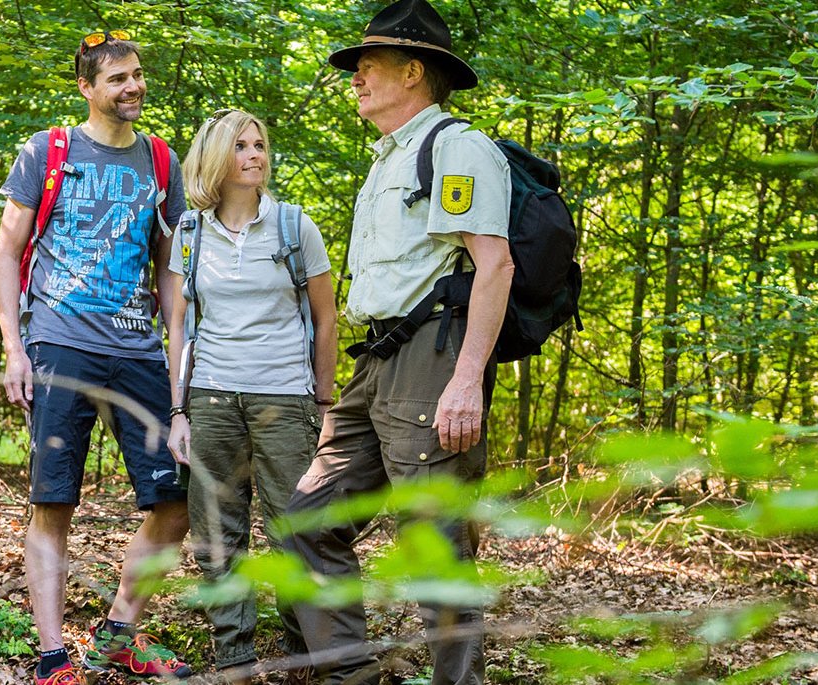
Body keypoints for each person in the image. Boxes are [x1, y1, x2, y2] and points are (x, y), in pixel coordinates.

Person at [278, 1, 513, 684]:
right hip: (375, 360)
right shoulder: (390, 156)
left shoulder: (456, 147)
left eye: (368, 65)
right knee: (307, 520)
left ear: (413, 72)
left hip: (431, 359)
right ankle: (351, 671)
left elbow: (494, 266)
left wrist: (467, 378)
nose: (356, 78)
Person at [0, 29, 195, 685]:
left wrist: (178, 356)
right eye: (116, 79)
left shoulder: (162, 162)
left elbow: (170, 272)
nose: (132, 86)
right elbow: (5, 252)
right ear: (86, 88)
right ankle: (54, 658)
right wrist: (13, 346)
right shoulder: (47, 150)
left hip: (139, 350)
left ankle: (116, 634)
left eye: (136, 75)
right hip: (58, 343)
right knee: (54, 502)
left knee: (175, 502)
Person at [160, 109, 338, 677]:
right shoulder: (189, 232)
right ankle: (234, 654)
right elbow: (180, 327)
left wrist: (326, 404)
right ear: (216, 158)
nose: (255, 154)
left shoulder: (293, 226)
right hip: (210, 399)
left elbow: (326, 319)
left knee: (296, 530)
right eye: (242, 146)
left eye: (260, 144)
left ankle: (304, 654)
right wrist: (178, 410)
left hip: (285, 400)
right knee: (217, 534)